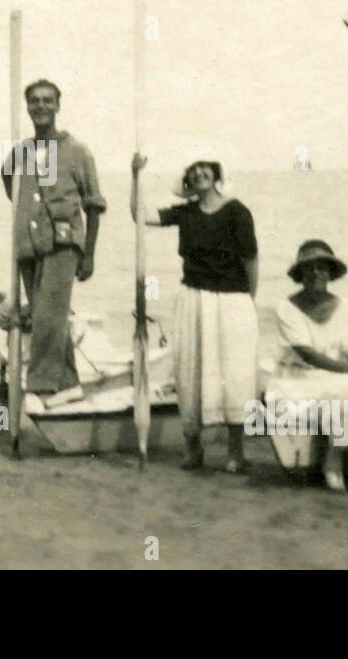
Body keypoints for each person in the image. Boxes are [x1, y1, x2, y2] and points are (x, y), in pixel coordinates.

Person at [131, 154, 259, 472]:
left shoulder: (237, 211)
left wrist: (249, 301)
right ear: (189, 181)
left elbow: (251, 259)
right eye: (193, 170)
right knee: (190, 371)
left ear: (216, 176)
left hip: (232, 300)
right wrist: (135, 176)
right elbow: (140, 215)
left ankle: (236, 453)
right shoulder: (186, 213)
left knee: (235, 376)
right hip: (193, 299)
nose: (200, 172)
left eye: (206, 168)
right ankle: (193, 449)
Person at [2, 79, 105, 396]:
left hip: (63, 244)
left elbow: (94, 205)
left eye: (48, 101)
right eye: (35, 101)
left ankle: (41, 387)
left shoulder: (77, 151)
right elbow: (10, 181)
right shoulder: (21, 152)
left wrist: (88, 254)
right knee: (50, 318)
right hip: (30, 246)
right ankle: (68, 384)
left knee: (47, 317)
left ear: (58, 106)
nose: (41, 106)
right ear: (28, 106)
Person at [271, 240, 348, 491]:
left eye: (322, 268)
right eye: (309, 268)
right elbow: (308, 354)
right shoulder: (287, 307)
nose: (316, 273)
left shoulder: (344, 306)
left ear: (330, 273)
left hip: (334, 375)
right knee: (347, 388)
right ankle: (333, 464)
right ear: (300, 274)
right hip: (296, 379)